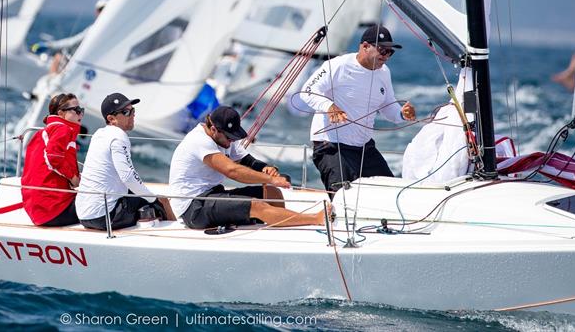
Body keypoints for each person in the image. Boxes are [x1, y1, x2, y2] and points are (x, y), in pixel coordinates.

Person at [169, 105, 331, 229]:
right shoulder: (199, 141)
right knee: (256, 205)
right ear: (213, 129)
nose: (231, 141)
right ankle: (315, 219)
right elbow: (232, 171)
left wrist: (266, 169)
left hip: (212, 195)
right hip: (193, 208)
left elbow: (248, 161)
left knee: (272, 193)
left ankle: (280, 226)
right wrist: (270, 179)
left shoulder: (224, 138)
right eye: (229, 137)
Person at [300, 25, 416, 191]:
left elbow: (388, 105)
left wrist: (402, 114)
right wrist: (329, 106)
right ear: (365, 46)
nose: (386, 57)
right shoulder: (338, 66)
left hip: (365, 148)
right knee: (343, 198)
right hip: (332, 146)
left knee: (391, 193)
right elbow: (307, 91)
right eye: (383, 50)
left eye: (390, 52)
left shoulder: (384, 72)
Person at [76, 93, 175, 230]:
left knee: (140, 195)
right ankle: (174, 232)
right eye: (126, 112)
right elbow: (127, 176)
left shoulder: (99, 134)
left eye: (132, 110)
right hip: (105, 217)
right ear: (111, 119)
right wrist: (155, 199)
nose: (132, 115)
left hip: (84, 215)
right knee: (160, 202)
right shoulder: (118, 136)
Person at [21, 93, 83, 227]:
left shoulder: (44, 132)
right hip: (54, 210)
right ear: (61, 113)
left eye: (81, 111)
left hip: (38, 210)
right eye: (77, 111)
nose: (81, 115)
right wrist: (73, 178)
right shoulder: (63, 129)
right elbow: (53, 158)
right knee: (110, 202)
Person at [42, 0, 108, 74]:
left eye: (105, 9)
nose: (102, 12)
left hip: (87, 64)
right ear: (96, 11)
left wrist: (49, 45)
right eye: (101, 9)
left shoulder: (94, 28)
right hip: (92, 63)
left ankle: (52, 81)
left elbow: (72, 42)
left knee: (58, 57)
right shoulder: (99, 28)